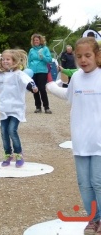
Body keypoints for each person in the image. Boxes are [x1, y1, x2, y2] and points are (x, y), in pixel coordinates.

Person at [46, 37, 101, 234]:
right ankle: (93, 219)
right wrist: (51, 87)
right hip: (80, 140)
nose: (83, 60)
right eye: (79, 56)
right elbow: (68, 95)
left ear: (97, 55)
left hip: (99, 141)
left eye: (88, 55)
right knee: (84, 184)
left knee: (98, 182)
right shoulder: (76, 77)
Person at [27, 33, 53, 114]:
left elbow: (49, 60)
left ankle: (46, 107)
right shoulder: (31, 50)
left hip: (42, 71)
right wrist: (28, 68)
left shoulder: (45, 49)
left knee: (42, 88)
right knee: (35, 89)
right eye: (34, 40)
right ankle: (38, 107)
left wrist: (43, 57)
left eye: (37, 40)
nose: (36, 41)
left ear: (40, 40)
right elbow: (29, 60)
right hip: (32, 71)